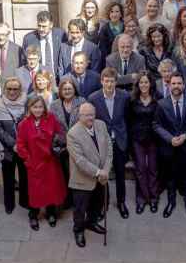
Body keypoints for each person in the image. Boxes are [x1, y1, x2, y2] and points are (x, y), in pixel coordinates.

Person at [15, 95, 66, 230]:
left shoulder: (51, 118)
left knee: (51, 189)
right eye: (35, 107)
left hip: (50, 162)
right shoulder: (24, 124)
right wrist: (28, 160)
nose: (38, 110)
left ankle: (51, 213)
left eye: (40, 107)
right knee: (35, 192)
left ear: (44, 107)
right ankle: (33, 215)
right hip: (35, 163)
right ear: (29, 108)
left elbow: (60, 134)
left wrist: (57, 143)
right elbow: (20, 145)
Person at [154, 73, 186, 218]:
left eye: (179, 83)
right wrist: (170, 138)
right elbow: (156, 125)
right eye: (173, 84)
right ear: (169, 85)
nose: (176, 86)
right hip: (169, 147)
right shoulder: (162, 104)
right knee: (171, 177)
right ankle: (171, 202)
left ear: (183, 85)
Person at [87, 68, 131, 219]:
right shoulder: (93, 98)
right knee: (103, 174)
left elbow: (127, 117)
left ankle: (121, 202)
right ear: (102, 82)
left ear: (116, 82)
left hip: (119, 140)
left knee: (120, 173)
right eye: (106, 81)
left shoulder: (125, 97)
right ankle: (103, 204)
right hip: (103, 142)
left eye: (112, 81)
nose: (109, 84)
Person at [67, 103, 112, 247]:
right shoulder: (73, 134)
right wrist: (99, 172)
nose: (90, 118)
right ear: (80, 116)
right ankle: (79, 230)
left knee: (97, 205)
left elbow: (109, 148)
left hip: (101, 178)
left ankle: (92, 223)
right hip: (83, 180)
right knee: (80, 209)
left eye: (92, 114)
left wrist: (106, 169)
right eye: (86, 115)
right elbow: (80, 161)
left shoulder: (101, 125)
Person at [0, 78, 29, 215]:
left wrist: (21, 144)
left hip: (25, 147)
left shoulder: (27, 103)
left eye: (15, 89)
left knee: (25, 176)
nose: (12, 92)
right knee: (8, 178)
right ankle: (9, 204)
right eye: (9, 89)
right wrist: (13, 144)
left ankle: (24, 201)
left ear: (20, 90)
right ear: (4, 89)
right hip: (8, 149)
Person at [128, 74, 160, 213]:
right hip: (137, 139)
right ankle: (141, 199)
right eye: (141, 82)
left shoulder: (157, 99)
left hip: (154, 139)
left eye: (146, 82)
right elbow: (128, 120)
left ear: (150, 84)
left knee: (153, 169)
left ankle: (153, 199)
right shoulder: (132, 100)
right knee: (140, 169)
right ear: (138, 84)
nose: (144, 85)